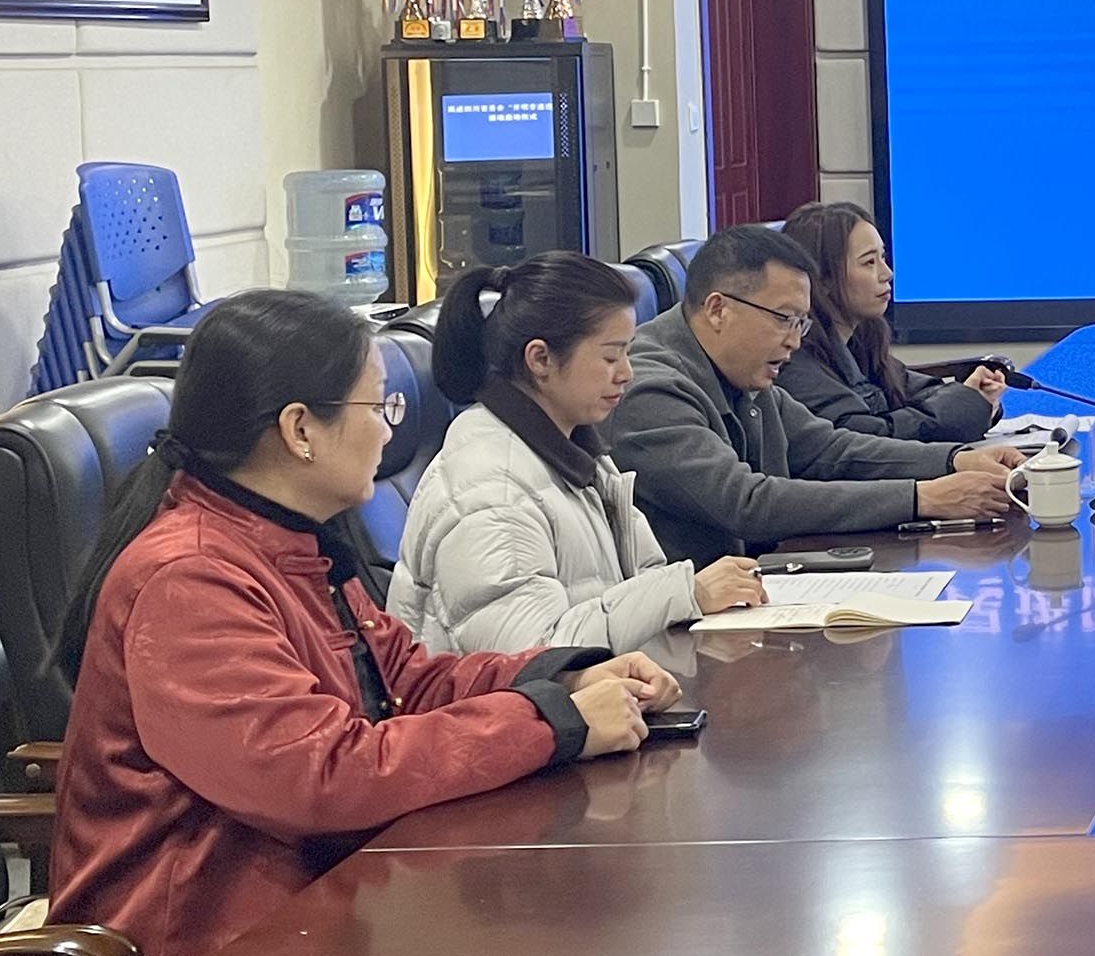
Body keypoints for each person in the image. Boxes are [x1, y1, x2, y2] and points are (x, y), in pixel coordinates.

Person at [49, 290, 682, 956]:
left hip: (306, 926)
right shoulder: (191, 579)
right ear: (299, 429)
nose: (390, 430)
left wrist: (562, 677)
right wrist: (551, 723)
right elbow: (317, 777)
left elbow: (407, 682)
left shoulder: (286, 540)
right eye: (379, 406)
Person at [392, 252, 766, 654]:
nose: (626, 373)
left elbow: (643, 580)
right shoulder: (491, 490)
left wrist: (687, 594)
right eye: (610, 356)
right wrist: (685, 593)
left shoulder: (578, 450)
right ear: (540, 359)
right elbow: (534, 655)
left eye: (627, 352)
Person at [605, 225, 1026, 565]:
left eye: (801, 323)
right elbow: (746, 502)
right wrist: (923, 498)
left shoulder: (741, 368)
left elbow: (829, 449)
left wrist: (954, 460)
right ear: (718, 309)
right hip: (687, 622)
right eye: (784, 319)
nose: (794, 341)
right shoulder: (648, 388)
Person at [776, 201, 1001, 443]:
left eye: (882, 257)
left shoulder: (862, 340)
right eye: (869, 262)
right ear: (823, 279)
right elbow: (869, 438)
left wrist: (977, 398)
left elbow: (918, 391)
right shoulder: (793, 364)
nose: (887, 274)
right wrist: (969, 404)